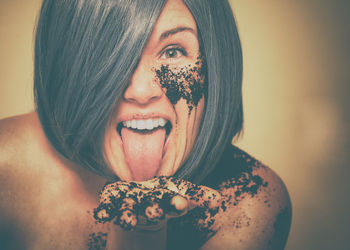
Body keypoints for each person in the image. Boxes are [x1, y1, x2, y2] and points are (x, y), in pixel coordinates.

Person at [0, 0, 292, 249]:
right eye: (111, 54)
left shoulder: (249, 201)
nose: (140, 91)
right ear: (68, 62)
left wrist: (141, 235)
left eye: (173, 51)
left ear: (216, 66)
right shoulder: (6, 171)